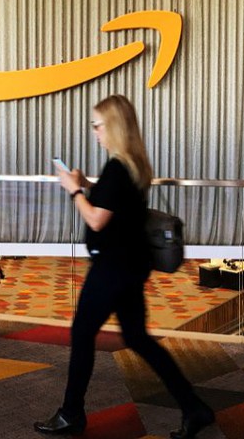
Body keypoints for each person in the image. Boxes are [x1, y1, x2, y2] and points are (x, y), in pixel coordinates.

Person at [35, 95, 214, 438]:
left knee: (83, 333)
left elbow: (97, 219)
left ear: (113, 127)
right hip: (131, 266)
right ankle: (194, 407)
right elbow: (114, 200)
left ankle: (71, 414)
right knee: (138, 338)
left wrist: (74, 191)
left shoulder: (117, 167)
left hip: (112, 269)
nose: (95, 132)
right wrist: (89, 184)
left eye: (98, 125)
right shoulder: (133, 164)